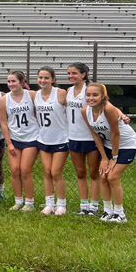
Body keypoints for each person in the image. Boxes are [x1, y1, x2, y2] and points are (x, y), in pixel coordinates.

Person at [83, 83, 136, 223]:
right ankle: (108, 211)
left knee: (112, 177)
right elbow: (95, 135)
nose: (91, 98)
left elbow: (116, 134)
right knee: (103, 176)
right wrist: (105, 158)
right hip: (108, 145)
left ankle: (120, 214)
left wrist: (114, 158)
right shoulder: (85, 111)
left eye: (95, 95)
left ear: (103, 97)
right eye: (88, 95)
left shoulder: (108, 109)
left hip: (126, 145)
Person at [0, 71, 39, 212]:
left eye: (13, 81)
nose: (11, 84)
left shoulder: (32, 95)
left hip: (31, 137)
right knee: (15, 171)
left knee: (25, 170)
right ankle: (18, 201)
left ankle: (30, 202)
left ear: (22, 82)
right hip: (15, 139)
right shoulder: (4, 99)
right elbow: (3, 122)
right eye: (9, 81)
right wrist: (9, 143)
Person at [66, 62, 101, 215]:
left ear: (83, 74)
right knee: (80, 172)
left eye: (74, 73)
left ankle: (94, 205)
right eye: (69, 73)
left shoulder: (90, 90)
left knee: (94, 172)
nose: (71, 76)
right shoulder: (68, 91)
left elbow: (105, 105)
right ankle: (83, 205)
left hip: (91, 137)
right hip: (73, 136)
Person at [34, 66, 68, 215]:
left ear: (53, 79)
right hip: (44, 138)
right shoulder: (34, 94)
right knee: (47, 172)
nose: (43, 80)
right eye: (40, 77)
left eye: (46, 78)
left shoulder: (61, 93)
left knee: (56, 172)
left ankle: (61, 204)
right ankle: (49, 204)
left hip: (61, 138)